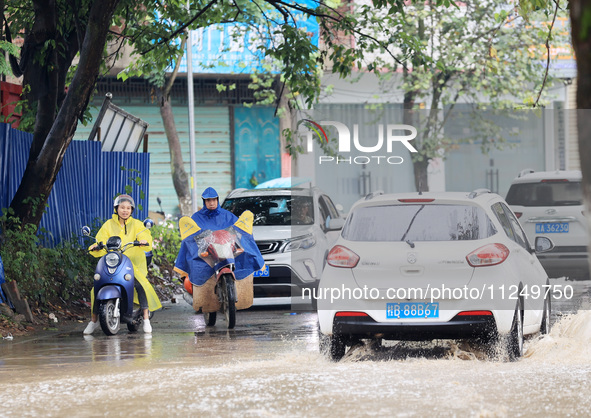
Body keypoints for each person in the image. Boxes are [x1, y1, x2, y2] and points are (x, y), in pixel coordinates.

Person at [83, 194, 162, 334]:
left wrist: (143, 241)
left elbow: (144, 236)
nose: (125, 210)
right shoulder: (108, 224)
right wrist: (96, 246)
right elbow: (100, 238)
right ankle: (94, 320)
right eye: (122, 207)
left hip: (132, 264)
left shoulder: (137, 224)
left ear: (131, 210)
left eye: (128, 208)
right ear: (116, 208)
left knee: (140, 284)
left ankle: (146, 318)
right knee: (97, 286)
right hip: (113, 262)